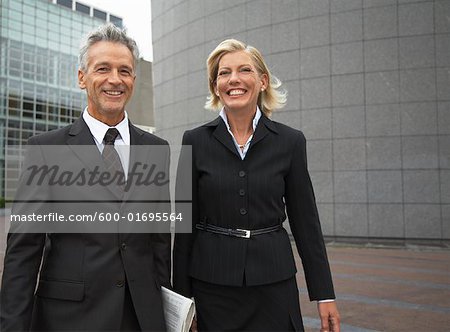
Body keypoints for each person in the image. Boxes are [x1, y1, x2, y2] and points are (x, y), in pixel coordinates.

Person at [0, 24, 171, 331]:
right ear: (82, 77)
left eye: (125, 70)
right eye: (102, 68)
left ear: (133, 78)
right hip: (69, 319)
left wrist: (169, 313)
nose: (115, 80)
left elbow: (159, 243)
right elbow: (23, 253)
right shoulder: (46, 149)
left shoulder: (156, 149)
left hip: (141, 317)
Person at [173, 39, 340, 331]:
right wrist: (183, 301)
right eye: (224, 73)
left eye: (244, 70)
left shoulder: (290, 142)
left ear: (262, 81)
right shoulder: (195, 141)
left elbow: (306, 223)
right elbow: (185, 227)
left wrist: (324, 293)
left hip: (274, 286)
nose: (233, 79)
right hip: (212, 286)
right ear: (215, 86)